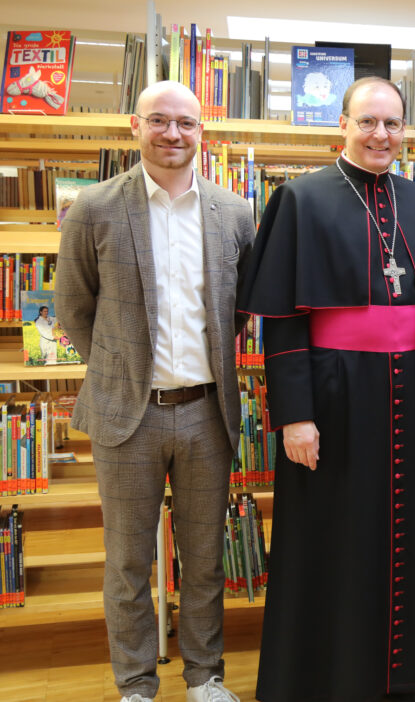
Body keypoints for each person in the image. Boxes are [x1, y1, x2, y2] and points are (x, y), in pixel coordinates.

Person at [236, 76, 415, 702]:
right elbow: (282, 318)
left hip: (403, 394)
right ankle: (320, 678)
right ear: (343, 124)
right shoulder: (300, 199)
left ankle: (397, 674)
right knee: (331, 533)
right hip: (331, 394)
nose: (381, 134)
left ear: (405, 130)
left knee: (400, 529)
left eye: (392, 124)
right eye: (368, 122)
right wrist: (295, 415)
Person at [56, 80, 256, 702]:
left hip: (206, 413)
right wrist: (119, 371)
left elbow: (240, 310)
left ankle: (204, 678)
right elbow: (72, 308)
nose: (174, 134)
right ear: (133, 128)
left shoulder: (236, 212)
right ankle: (137, 685)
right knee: (127, 564)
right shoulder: (93, 207)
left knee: (202, 561)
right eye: (160, 121)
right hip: (128, 417)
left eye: (187, 124)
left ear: (203, 133)